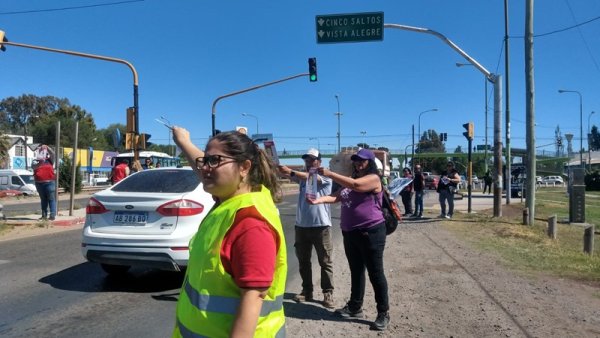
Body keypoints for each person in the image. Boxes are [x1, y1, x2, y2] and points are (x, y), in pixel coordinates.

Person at [171, 128, 287, 338]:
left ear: (244, 167)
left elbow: (253, 298)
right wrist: (183, 141)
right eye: (204, 161)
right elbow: (207, 171)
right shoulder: (229, 200)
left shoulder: (251, 223)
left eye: (214, 160)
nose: (205, 168)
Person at [308, 148, 390, 331]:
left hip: (371, 232)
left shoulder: (373, 179)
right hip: (350, 233)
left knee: (375, 273)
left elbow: (355, 185)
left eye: (362, 160)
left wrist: (330, 174)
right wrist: (317, 201)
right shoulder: (351, 181)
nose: (358, 162)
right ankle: (355, 306)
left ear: (369, 162)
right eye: (356, 160)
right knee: (356, 271)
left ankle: (383, 312)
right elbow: (336, 197)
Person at [278, 148, 335, 309]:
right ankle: (307, 290)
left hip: (321, 226)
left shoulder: (324, 176)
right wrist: (278, 167)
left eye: (312, 159)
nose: (309, 162)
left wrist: (291, 172)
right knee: (303, 261)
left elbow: (311, 178)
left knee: (325, 262)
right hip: (301, 226)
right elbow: (289, 175)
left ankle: (328, 292)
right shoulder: (302, 178)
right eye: (307, 160)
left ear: (319, 161)